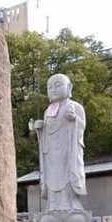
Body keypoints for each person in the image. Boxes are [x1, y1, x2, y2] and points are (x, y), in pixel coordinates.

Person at [29, 74, 87, 211]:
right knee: (52, 177)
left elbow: (81, 128)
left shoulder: (75, 107)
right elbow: (47, 134)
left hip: (68, 153)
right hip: (51, 156)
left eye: (58, 85)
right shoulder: (48, 111)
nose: (53, 89)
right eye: (49, 87)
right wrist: (41, 129)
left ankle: (69, 205)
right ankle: (53, 205)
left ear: (69, 87)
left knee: (67, 176)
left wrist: (74, 120)